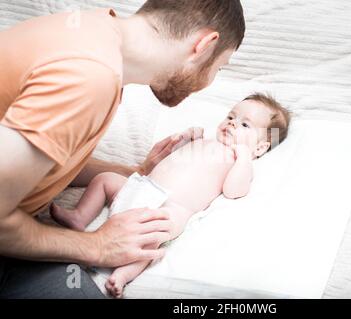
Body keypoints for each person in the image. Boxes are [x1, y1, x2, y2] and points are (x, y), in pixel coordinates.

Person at [0, 0, 245, 298]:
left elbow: (44, 156)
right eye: (218, 68)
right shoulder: (89, 77)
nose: (208, 82)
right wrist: (98, 246)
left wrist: (135, 173)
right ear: (205, 45)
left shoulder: (92, 33)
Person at [50, 93, 292, 298]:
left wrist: (244, 158)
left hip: (170, 208)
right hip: (142, 186)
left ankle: (122, 275)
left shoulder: (239, 160)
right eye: (231, 116)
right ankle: (80, 217)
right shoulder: (206, 141)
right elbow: (169, 161)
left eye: (245, 125)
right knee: (105, 179)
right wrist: (185, 140)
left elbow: (234, 190)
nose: (231, 123)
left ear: (260, 147)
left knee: (153, 239)